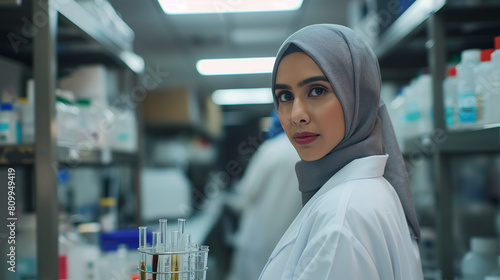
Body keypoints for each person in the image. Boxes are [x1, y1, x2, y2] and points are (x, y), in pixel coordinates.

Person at [258, 24, 423, 279]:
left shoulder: (340, 221)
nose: (296, 115)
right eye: (285, 96)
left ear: (358, 97)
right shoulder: (372, 188)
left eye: (317, 90)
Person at [225, 112, 302, 280]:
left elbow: (245, 195)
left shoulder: (270, 150)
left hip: (256, 241)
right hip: (289, 244)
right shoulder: (308, 152)